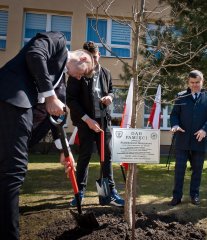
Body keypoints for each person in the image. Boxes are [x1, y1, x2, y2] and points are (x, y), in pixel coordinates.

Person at [0, 31, 95, 240]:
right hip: (10, 99)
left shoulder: (60, 84)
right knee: (13, 172)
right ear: (83, 58)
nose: (79, 77)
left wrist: (64, 151)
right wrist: (49, 96)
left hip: (13, 117)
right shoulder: (58, 41)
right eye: (83, 73)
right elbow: (34, 54)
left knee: (7, 171)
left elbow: (57, 120)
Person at [66, 41, 124, 207]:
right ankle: (79, 193)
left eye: (96, 57)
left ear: (99, 55)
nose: (94, 61)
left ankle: (109, 191)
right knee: (84, 156)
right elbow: (71, 99)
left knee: (107, 157)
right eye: (91, 58)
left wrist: (110, 98)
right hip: (86, 122)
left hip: (103, 122)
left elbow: (111, 90)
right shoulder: (78, 73)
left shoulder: (106, 72)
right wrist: (87, 120)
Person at [169, 70, 207, 206]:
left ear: (202, 81)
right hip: (182, 139)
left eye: (197, 82)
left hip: (199, 139)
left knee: (197, 170)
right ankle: (176, 196)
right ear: (188, 83)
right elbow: (174, 115)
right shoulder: (180, 96)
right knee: (179, 170)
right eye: (192, 83)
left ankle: (194, 195)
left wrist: (205, 130)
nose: (195, 85)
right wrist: (175, 125)